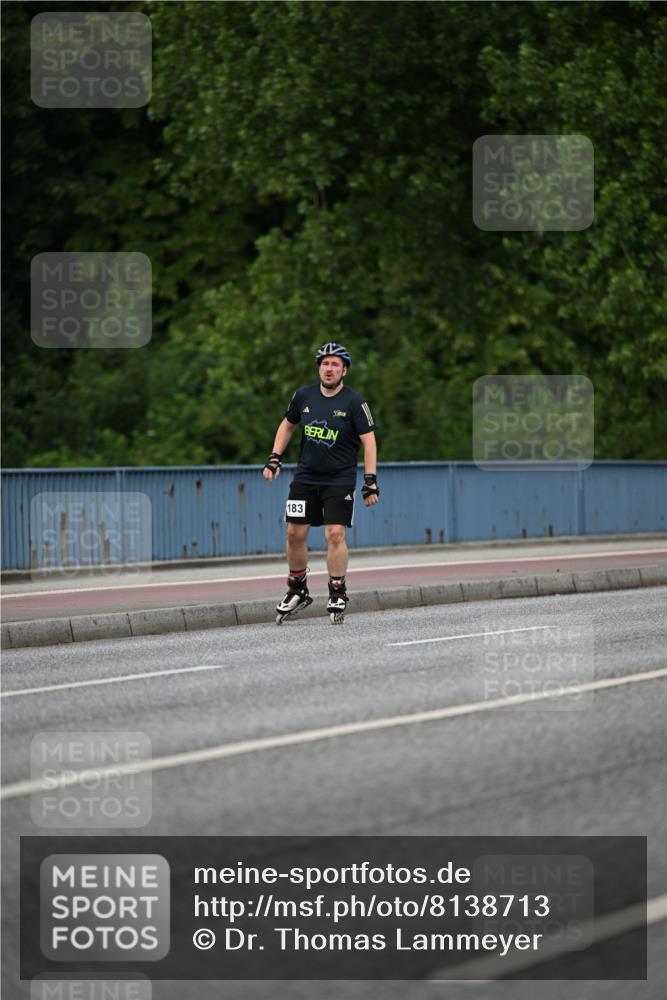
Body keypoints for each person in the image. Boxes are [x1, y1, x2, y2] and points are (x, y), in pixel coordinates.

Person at [263, 342, 379, 623]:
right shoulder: (303, 396)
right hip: (305, 477)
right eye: (325, 364)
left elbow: (369, 441)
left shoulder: (355, 402)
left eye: (335, 365)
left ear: (344, 371)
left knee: (334, 535)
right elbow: (287, 425)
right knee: (294, 534)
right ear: (319, 368)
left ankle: (337, 590)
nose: (329, 369)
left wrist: (370, 481)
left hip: (339, 480)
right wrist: (274, 457)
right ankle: (298, 590)